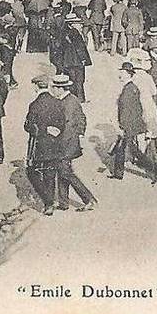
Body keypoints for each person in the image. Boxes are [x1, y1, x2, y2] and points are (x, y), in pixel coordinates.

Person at [50, 73, 96, 211]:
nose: (53, 90)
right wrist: (80, 133)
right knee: (62, 170)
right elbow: (82, 118)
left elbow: (68, 126)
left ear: (60, 88)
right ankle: (63, 202)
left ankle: (89, 199)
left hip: (65, 144)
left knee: (65, 172)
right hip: (69, 142)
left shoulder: (68, 103)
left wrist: (59, 140)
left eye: (54, 88)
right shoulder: (72, 100)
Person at [23, 75, 63, 215]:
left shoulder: (34, 104)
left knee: (31, 172)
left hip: (39, 144)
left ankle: (48, 201)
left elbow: (29, 126)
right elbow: (62, 124)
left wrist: (41, 129)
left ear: (36, 86)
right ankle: (50, 203)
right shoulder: (57, 102)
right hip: (54, 143)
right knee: (50, 172)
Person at [112, 62, 146, 180]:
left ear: (128, 74)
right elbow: (139, 108)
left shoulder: (127, 90)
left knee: (121, 148)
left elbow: (125, 110)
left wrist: (122, 126)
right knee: (129, 147)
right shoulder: (133, 87)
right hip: (133, 123)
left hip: (127, 124)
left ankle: (118, 173)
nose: (120, 75)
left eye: (122, 72)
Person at [59, 13, 92, 102]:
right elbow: (79, 48)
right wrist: (84, 59)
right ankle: (80, 99)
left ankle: (74, 98)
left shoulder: (63, 31)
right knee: (79, 80)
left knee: (72, 80)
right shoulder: (75, 33)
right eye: (78, 23)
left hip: (68, 61)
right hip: (77, 61)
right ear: (72, 24)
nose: (80, 25)